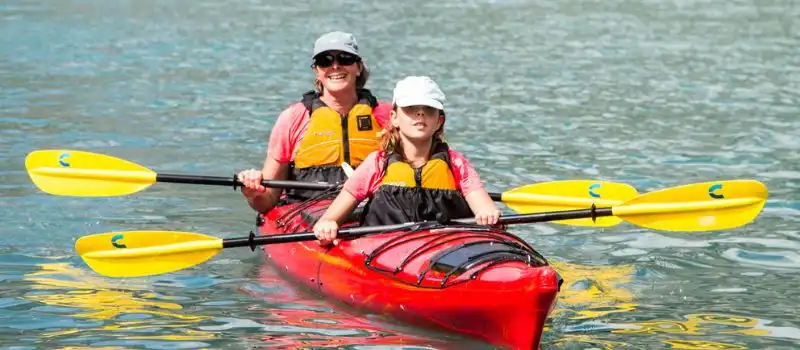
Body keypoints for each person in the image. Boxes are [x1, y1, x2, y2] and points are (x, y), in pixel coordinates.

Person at [312, 76, 501, 245]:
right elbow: (331, 217)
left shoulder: (456, 164)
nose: (420, 114)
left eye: (429, 109)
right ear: (394, 118)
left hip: (443, 246)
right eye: (411, 108)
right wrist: (328, 224)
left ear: (439, 121)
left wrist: (487, 214)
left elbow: (484, 206)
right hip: (385, 250)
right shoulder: (377, 163)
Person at [237, 31, 391, 213]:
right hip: (307, 215)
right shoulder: (293, 118)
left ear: (358, 67)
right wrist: (253, 193)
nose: (335, 66)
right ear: (317, 71)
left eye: (345, 58)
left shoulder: (390, 117)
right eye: (325, 61)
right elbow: (267, 202)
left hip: (375, 212)